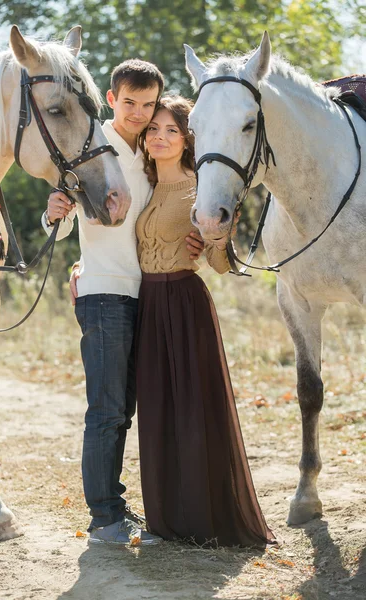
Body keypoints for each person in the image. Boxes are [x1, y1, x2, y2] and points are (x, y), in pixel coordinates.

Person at [42, 60, 204, 545]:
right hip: (105, 295)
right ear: (112, 100)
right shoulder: (91, 148)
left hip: (149, 296)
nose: (138, 112)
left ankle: (117, 506)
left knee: (129, 409)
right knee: (108, 410)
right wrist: (54, 215)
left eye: (148, 104)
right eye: (129, 102)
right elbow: (63, 222)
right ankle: (105, 521)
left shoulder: (151, 157)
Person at [135, 95, 276, 547]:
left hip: (185, 303)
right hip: (149, 305)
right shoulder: (141, 184)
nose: (159, 136)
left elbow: (217, 265)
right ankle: (166, 518)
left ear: (187, 138)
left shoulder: (201, 187)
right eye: (153, 129)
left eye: (171, 130)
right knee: (157, 413)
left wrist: (216, 241)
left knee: (195, 412)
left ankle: (203, 518)